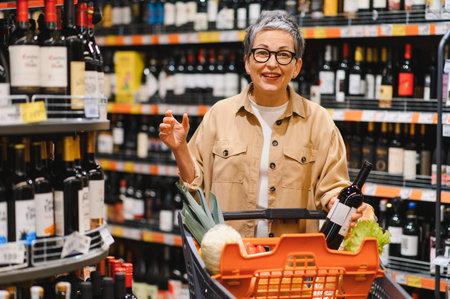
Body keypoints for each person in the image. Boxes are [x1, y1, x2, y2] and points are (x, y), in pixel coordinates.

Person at [159, 10, 368, 238]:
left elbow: (333, 187)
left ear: (296, 67)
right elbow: (196, 191)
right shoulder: (219, 115)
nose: (271, 64)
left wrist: (337, 201)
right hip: (230, 258)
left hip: (292, 263)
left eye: (283, 55)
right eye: (262, 53)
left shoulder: (319, 122)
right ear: (248, 63)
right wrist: (180, 149)